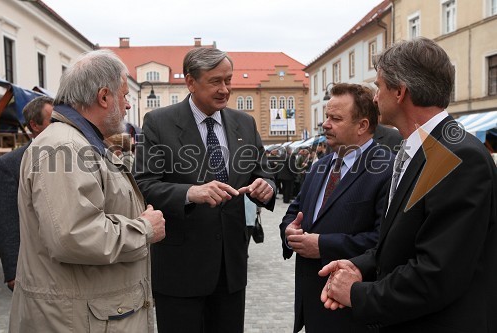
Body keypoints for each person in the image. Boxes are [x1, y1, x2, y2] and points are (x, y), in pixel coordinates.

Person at [320, 37, 497, 333]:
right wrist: (360, 265)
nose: (375, 98)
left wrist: (355, 293)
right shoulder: (423, 148)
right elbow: (402, 241)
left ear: (400, 91)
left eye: (379, 87)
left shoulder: (458, 156)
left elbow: (437, 274)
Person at [8, 49, 166, 332]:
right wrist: (145, 230)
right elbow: (73, 236)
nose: (128, 106)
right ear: (103, 97)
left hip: (91, 314)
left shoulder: (82, 142)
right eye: (124, 95)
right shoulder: (64, 147)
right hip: (79, 319)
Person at [133, 47, 275, 333]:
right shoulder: (158, 123)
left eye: (229, 80)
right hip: (181, 268)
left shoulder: (244, 123)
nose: (225, 89)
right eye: (216, 82)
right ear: (190, 82)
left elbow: (264, 171)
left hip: (231, 265)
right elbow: (144, 184)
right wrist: (190, 193)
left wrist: (267, 186)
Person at [280, 83, 394, 333]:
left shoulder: (386, 169)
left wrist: (322, 245)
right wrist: (289, 232)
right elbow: (295, 210)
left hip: (351, 310)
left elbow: (383, 240)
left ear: (362, 126)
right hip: (312, 304)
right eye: (326, 116)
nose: (325, 124)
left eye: (335, 118)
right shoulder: (320, 165)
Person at [0, 95, 53, 291]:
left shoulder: (71, 158)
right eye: (52, 121)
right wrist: (12, 270)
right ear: (34, 125)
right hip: (33, 263)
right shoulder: (9, 164)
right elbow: (6, 218)